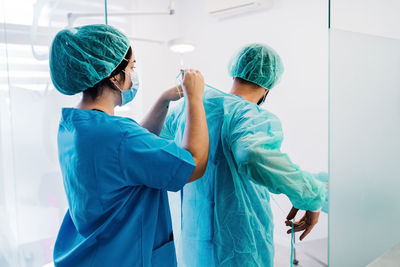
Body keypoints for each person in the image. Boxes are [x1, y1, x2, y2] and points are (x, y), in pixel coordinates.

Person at [49, 24, 209, 267]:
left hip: (90, 253)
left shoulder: (73, 126)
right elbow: (194, 163)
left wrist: (163, 99)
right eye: (132, 67)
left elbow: (130, 155)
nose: (134, 74)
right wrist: (195, 98)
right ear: (114, 76)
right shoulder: (118, 135)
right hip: (124, 256)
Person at [161, 43, 327, 266]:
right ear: (269, 85)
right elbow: (253, 156)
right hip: (239, 244)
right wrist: (312, 197)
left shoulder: (190, 106)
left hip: (194, 239)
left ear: (235, 72)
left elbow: (152, 138)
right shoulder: (249, 117)